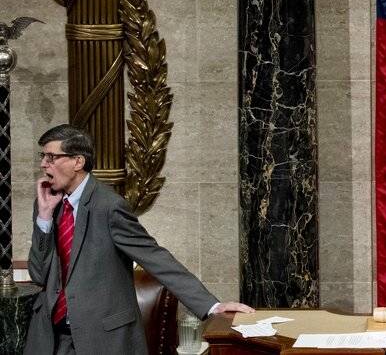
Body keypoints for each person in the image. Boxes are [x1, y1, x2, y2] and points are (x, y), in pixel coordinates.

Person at [25, 124, 253, 355]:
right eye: (43, 156)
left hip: (102, 340)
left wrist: (212, 306)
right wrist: (43, 219)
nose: (44, 164)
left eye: (52, 157)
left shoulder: (109, 206)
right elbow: (38, 274)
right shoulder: (46, 205)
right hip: (50, 339)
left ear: (78, 162)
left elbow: (155, 257)